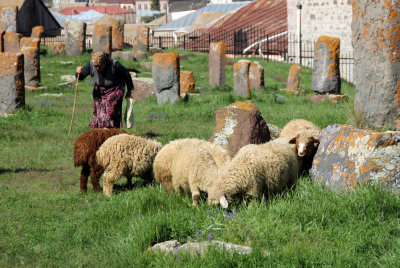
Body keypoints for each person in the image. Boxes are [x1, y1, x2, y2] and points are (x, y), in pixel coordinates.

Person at [75, 52, 134, 128]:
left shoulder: (115, 65)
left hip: (115, 90)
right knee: (99, 113)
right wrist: (78, 73)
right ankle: (101, 132)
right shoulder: (90, 64)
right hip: (99, 91)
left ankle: (111, 131)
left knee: (110, 113)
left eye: (99, 66)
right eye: (95, 66)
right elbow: (81, 77)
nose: (97, 68)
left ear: (104, 63)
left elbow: (126, 74)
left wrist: (129, 90)